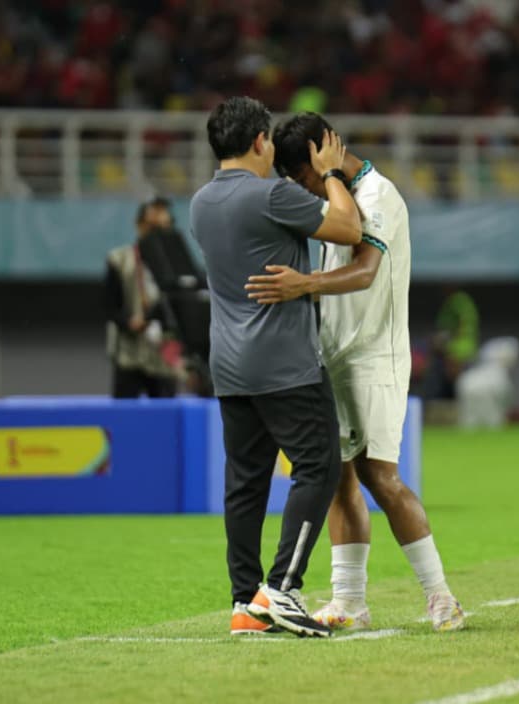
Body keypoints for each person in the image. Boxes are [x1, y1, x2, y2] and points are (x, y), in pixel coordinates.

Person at [244, 112, 466, 632]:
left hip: (375, 356)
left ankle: (441, 597)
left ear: (323, 155)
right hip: (331, 355)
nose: (301, 190)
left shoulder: (379, 196)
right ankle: (350, 602)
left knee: (379, 476)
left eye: (301, 177)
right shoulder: (332, 199)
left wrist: (303, 286)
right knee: (339, 476)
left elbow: (366, 271)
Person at [189, 96, 362, 638]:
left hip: (230, 366)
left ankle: (245, 601)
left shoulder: (198, 204)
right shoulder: (272, 196)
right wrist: (332, 173)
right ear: (261, 142)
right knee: (320, 465)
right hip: (284, 363)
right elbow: (350, 229)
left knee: (245, 483)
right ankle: (282, 588)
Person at [104, 198, 183, 398]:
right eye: (151, 226)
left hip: (165, 352)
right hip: (129, 353)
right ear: (139, 225)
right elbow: (110, 305)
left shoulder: (177, 262)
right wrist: (129, 323)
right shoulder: (119, 259)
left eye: (163, 226)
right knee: (124, 416)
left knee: (166, 418)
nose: (156, 233)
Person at [423, 286, 480, 400]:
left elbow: (460, 326)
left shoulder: (458, 301)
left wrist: (447, 347)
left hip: (460, 353)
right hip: (456, 352)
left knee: (459, 388)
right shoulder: (455, 302)